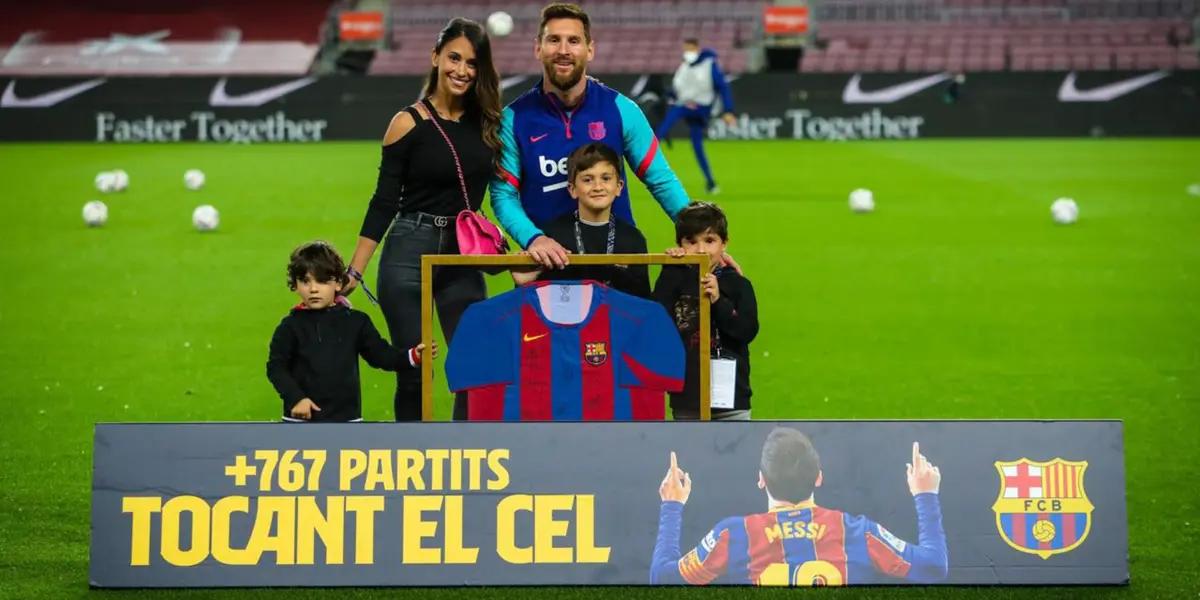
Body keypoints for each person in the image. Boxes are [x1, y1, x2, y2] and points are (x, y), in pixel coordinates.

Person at [342, 18, 500, 421]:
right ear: (434, 57)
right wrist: (356, 271)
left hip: (463, 256)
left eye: (472, 63)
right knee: (415, 369)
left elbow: (502, 192)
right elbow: (383, 202)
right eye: (454, 58)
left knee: (475, 366)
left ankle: (465, 456)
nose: (462, 70)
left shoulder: (487, 124)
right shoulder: (406, 123)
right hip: (409, 249)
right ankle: (413, 459)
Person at [490, 2, 691, 270]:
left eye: (573, 41)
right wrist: (534, 239)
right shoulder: (513, 120)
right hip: (549, 268)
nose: (563, 50)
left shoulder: (622, 110)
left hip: (617, 265)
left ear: (590, 49)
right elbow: (503, 195)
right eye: (553, 40)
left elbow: (661, 179)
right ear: (538, 48)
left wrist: (698, 234)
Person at [650, 429, 949, 585]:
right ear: (819, 478)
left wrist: (672, 505)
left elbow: (661, 579)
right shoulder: (855, 532)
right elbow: (934, 566)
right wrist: (925, 495)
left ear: (761, 480)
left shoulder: (733, 535)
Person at [266, 241, 434, 423]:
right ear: (295, 285)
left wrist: (412, 356)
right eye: (305, 281)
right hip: (300, 423)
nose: (313, 289)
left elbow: (381, 355)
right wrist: (296, 399)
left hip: (347, 422)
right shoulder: (289, 327)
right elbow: (276, 368)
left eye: (322, 281)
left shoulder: (356, 322)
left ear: (338, 283)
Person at [653, 202, 757, 420]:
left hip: (733, 401)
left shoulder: (738, 285)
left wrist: (718, 301)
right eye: (691, 242)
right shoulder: (676, 279)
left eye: (709, 241)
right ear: (679, 244)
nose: (700, 250)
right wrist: (671, 269)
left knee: (734, 454)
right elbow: (658, 321)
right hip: (687, 399)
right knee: (690, 454)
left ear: (724, 243)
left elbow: (747, 331)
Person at [513, 142, 651, 297]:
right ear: (572, 189)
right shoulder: (552, 237)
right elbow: (533, 301)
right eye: (587, 180)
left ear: (619, 187)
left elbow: (643, 304)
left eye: (606, 178)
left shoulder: (633, 239)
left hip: (616, 320)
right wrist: (524, 284)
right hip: (565, 320)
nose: (598, 187)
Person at [656, 38, 737, 196]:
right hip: (686, 106)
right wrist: (668, 94)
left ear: (697, 48)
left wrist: (728, 110)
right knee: (692, 144)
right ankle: (711, 182)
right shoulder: (684, 66)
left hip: (701, 108)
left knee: (672, 121)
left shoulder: (709, 64)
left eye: (690, 48)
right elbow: (679, 88)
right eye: (685, 48)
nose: (687, 51)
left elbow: (723, 87)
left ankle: (651, 149)